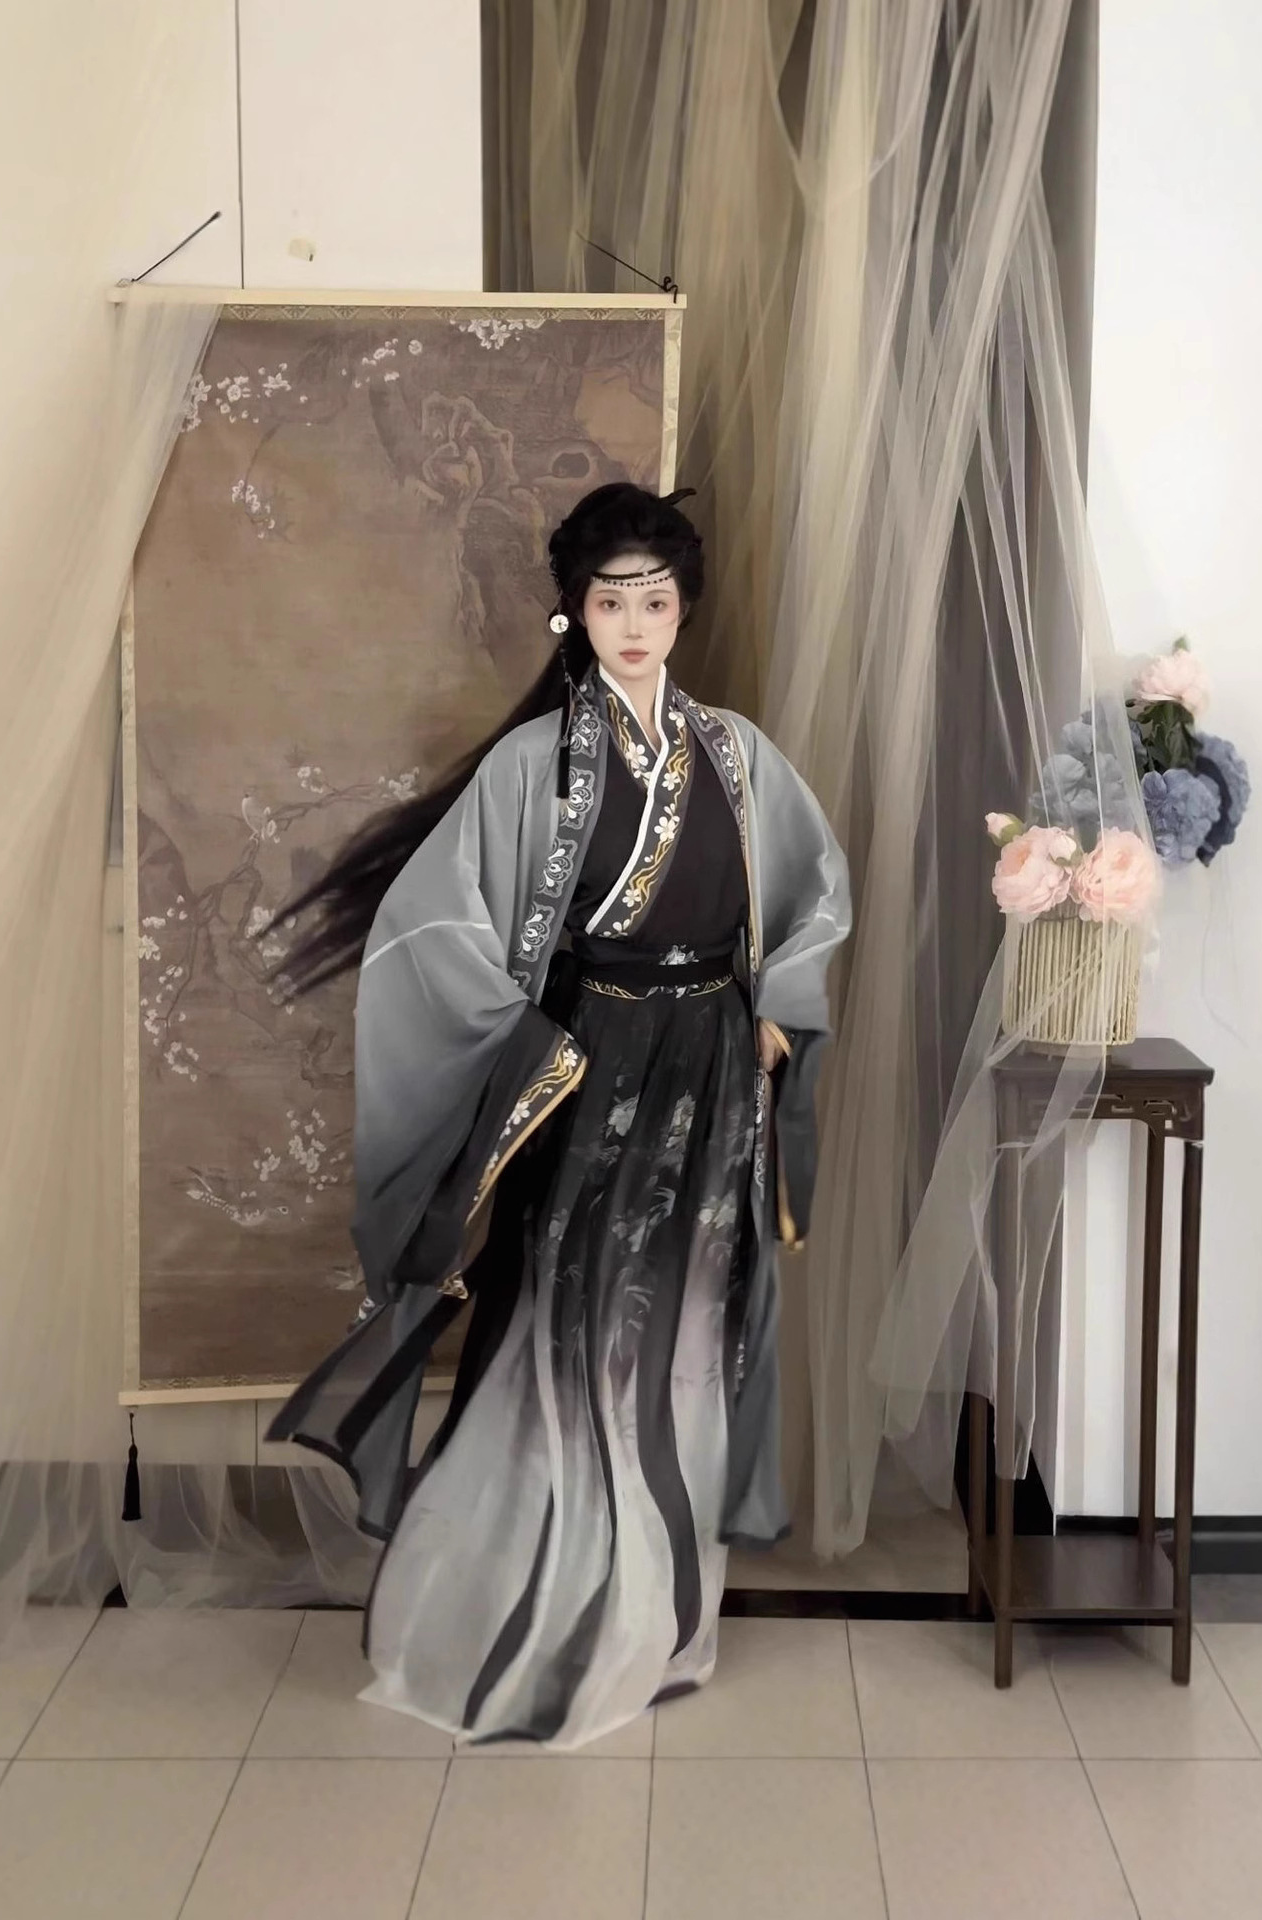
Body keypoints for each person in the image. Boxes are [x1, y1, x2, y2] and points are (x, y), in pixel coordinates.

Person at [266, 483, 850, 1748]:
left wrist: (777, 1005)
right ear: (573, 612)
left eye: (655, 601)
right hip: (590, 1067)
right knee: (568, 1324)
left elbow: (815, 891)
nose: (633, 626)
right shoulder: (535, 764)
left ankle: (658, 1613)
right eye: (609, 602)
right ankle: (539, 1606)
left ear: (684, 611)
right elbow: (435, 923)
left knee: (685, 1322)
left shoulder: (737, 754)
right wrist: (531, 1039)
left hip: (709, 1066)